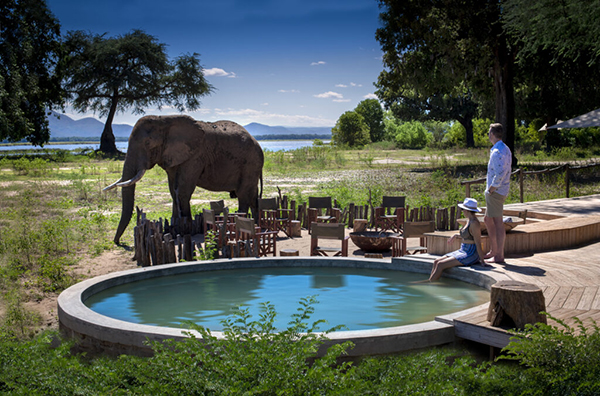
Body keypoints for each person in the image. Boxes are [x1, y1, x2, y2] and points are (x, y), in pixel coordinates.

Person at [427, 198, 486, 282]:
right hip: (463, 249)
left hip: (470, 253)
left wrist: (482, 261)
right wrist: (456, 235)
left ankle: (430, 284)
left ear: (467, 210)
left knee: (440, 264)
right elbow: (468, 234)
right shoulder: (468, 220)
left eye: (463, 209)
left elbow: (478, 242)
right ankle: (430, 280)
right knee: (436, 261)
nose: (462, 211)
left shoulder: (474, 223)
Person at [483, 123, 512, 264]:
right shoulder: (505, 148)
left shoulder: (497, 152)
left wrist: (491, 189)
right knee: (488, 220)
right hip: (500, 190)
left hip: (496, 192)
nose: (488, 135)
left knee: (498, 222)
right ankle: (493, 250)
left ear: (492, 134)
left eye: (489, 132)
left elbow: (500, 173)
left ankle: (499, 255)